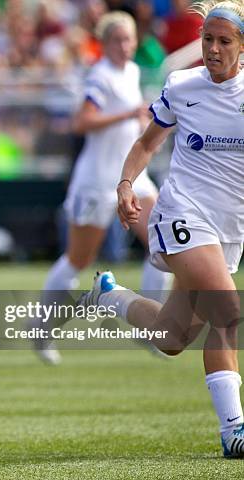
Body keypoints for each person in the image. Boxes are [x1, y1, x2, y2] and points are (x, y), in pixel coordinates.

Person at [79, 0, 244, 457]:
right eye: (207, 39)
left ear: (242, 47)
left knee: (172, 339)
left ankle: (109, 295)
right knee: (227, 314)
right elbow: (147, 142)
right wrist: (127, 183)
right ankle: (234, 431)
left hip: (229, 228)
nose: (211, 48)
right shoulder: (183, 85)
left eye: (223, 41)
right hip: (181, 215)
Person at [35, 11, 171, 365]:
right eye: (118, 40)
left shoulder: (133, 71)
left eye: (129, 40)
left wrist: (140, 119)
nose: (125, 46)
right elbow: (82, 121)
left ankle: (151, 328)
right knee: (79, 259)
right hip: (97, 180)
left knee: (162, 241)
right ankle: (42, 329)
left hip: (132, 175)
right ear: (106, 42)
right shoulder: (100, 75)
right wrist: (127, 114)